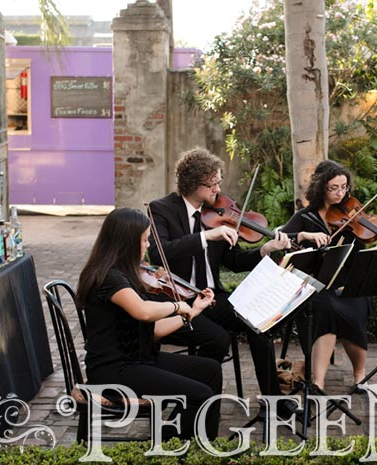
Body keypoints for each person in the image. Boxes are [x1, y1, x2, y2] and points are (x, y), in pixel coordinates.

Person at [147, 147, 293, 405]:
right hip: (179, 301)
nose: (217, 189)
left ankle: (272, 399)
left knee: (258, 323)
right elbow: (160, 254)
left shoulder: (215, 215)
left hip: (213, 297)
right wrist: (204, 237)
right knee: (218, 339)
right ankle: (199, 398)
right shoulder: (162, 209)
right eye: (211, 184)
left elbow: (234, 261)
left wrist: (264, 250)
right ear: (192, 183)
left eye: (218, 182)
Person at [77, 207, 221, 439]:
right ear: (126, 243)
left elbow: (152, 331)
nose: (147, 246)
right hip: (114, 371)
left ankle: (194, 441)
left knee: (210, 370)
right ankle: (179, 445)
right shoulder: (108, 278)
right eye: (144, 240)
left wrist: (192, 311)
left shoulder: (124, 274)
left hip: (138, 358)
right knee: (200, 394)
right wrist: (176, 306)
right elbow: (143, 312)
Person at [280, 160, 377, 390]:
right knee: (327, 306)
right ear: (321, 188)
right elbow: (281, 239)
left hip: (344, 283)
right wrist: (303, 236)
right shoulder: (305, 216)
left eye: (344, 187)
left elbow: (359, 258)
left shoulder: (352, 218)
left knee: (357, 302)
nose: (340, 193)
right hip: (313, 284)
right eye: (334, 188)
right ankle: (318, 382)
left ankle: (359, 376)